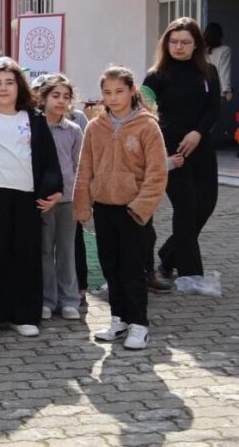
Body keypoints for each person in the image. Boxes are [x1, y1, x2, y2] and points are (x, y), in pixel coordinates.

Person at [0, 58, 63, 339]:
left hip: (26, 199)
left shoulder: (34, 119)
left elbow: (49, 160)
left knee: (26, 256)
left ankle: (24, 315)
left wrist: (54, 190)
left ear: (20, 87)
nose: (4, 88)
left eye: (9, 82)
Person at [74, 66, 168, 350]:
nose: (113, 98)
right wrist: (82, 204)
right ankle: (119, 319)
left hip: (133, 211)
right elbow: (85, 167)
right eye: (107, 93)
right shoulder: (94, 127)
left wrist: (141, 207)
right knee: (110, 267)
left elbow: (157, 173)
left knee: (132, 269)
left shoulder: (147, 126)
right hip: (104, 207)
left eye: (119, 92)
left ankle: (139, 324)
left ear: (131, 91)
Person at [143, 17, 220, 280]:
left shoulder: (209, 72)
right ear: (166, 44)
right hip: (170, 152)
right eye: (174, 42)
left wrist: (198, 132)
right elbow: (143, 108)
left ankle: (168, 255)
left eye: (185, 42)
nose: (179, 47)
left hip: (201, 146)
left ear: (196, 44)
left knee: (205, 206)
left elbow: (213, 109)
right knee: (186, 210)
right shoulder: (156, 76)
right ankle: (191, 274)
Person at [32, 74, 84, 321]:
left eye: (66, 97)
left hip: (67, 201)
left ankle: (69, 300)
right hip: (41, 200)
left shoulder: (73, 130)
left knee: (66, 250)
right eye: (55, 96)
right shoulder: (33, 127)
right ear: (43, 98)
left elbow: (78, 167)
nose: (61, 101)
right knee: (43, 250)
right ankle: (46, 299)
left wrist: (75, 196)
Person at [204, 22, 232, 102]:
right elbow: (224, 71)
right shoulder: (225, 50)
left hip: (202, 89)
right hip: (217, 91)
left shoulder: (201, 51)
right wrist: (227, 90)